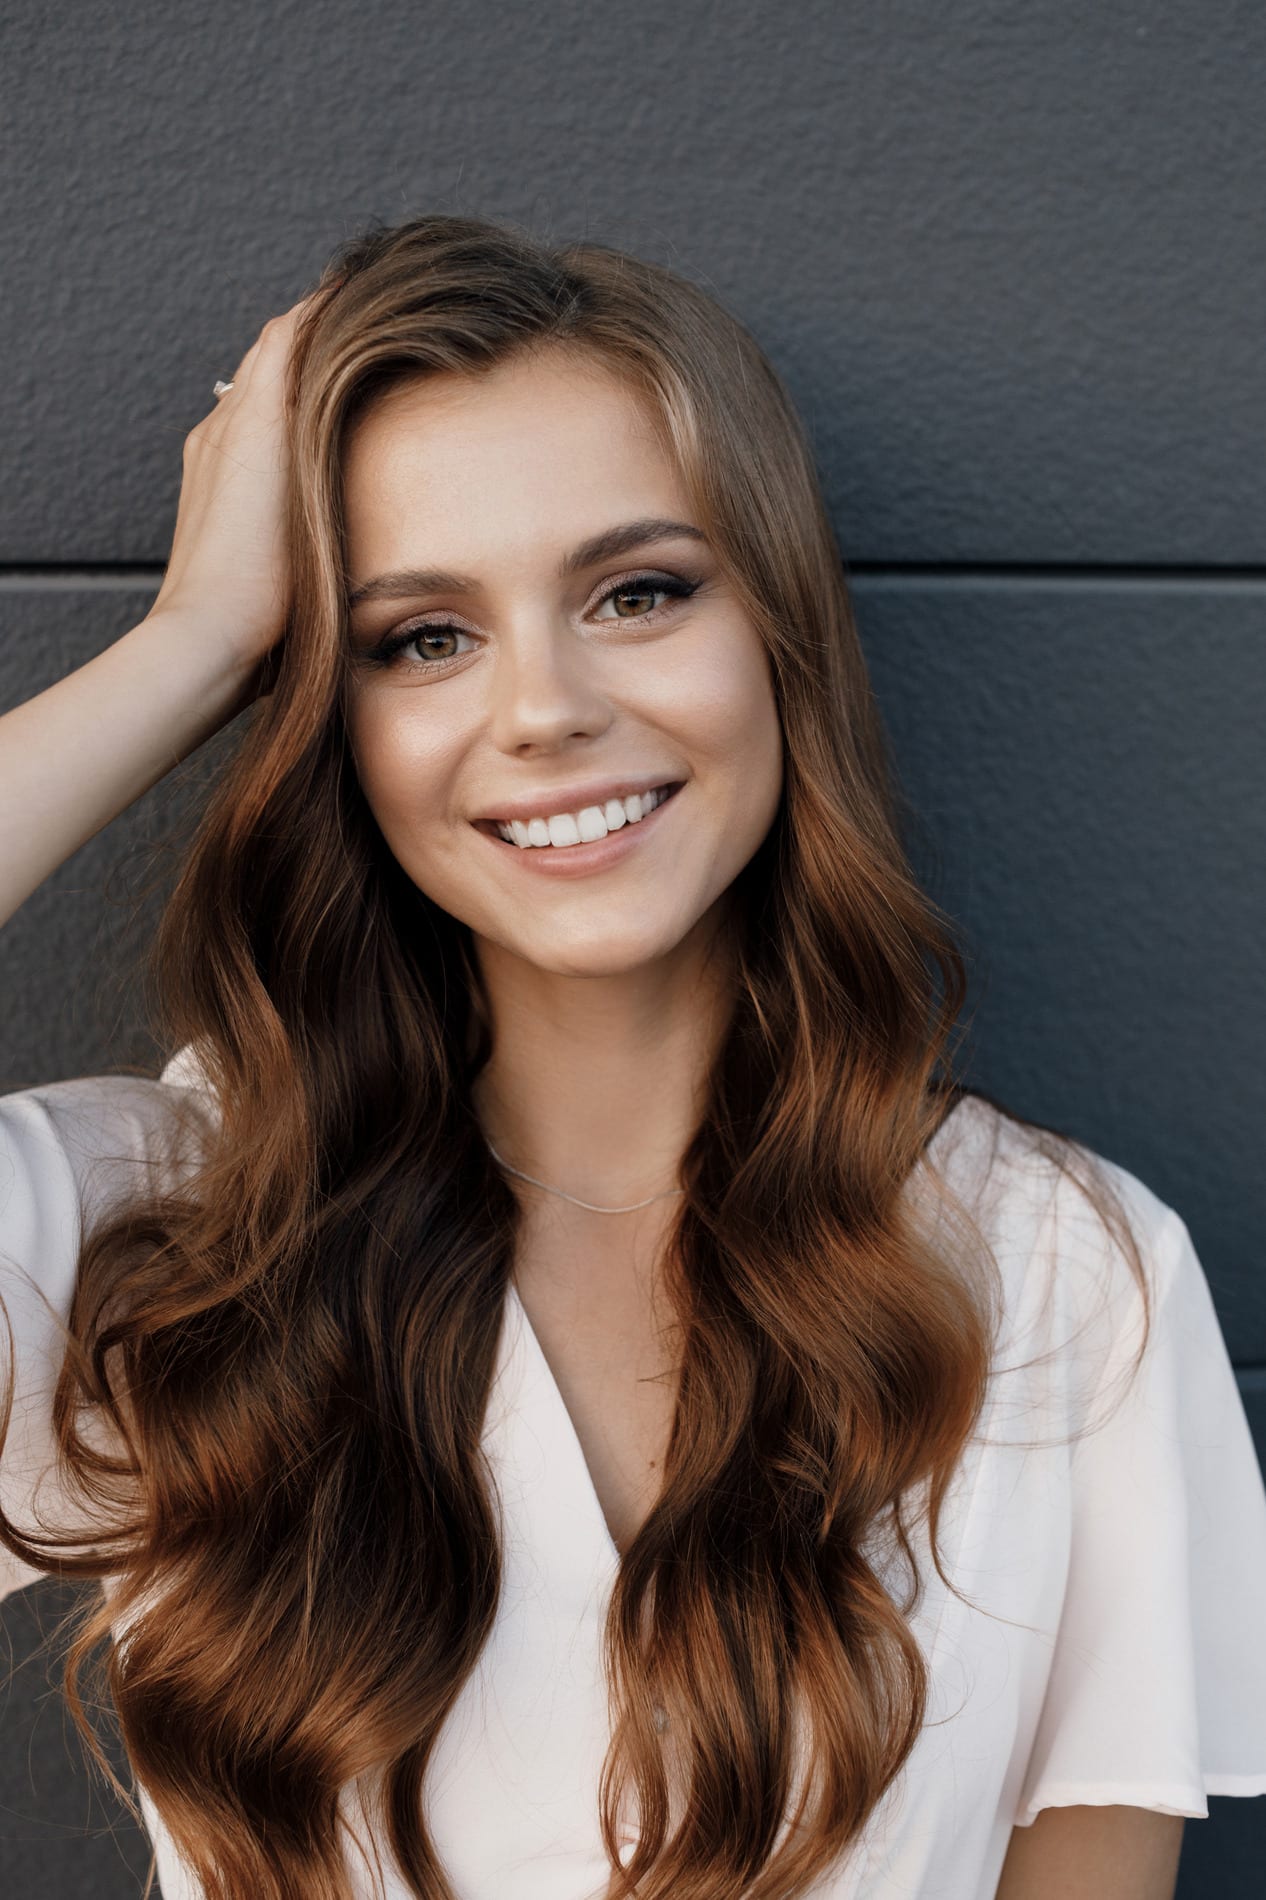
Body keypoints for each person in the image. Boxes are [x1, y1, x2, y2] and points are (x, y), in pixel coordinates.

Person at [0, 213, 1263, 1900]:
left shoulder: (1062, 1275)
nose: (542, 708)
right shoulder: (152, 1233)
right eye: (420, 637)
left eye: (638, 591)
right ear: (330, 714)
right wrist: (193, 642)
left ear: (777, 634)